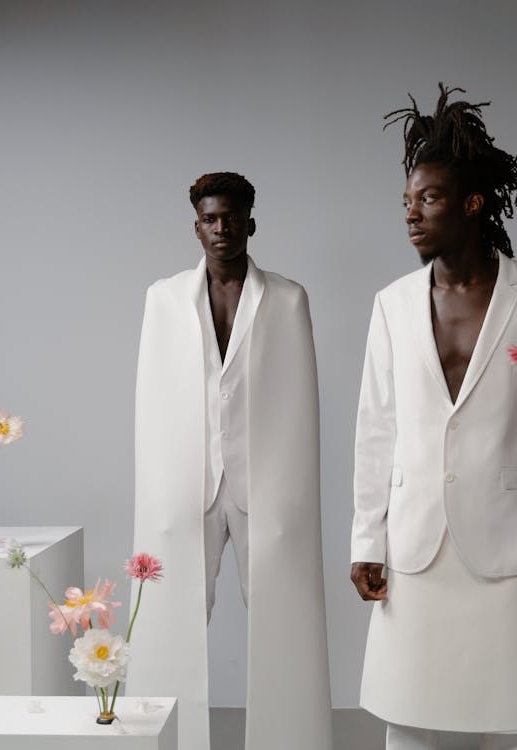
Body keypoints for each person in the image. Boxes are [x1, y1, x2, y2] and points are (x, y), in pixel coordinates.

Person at [351, 85, 517, 750]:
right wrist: (367, 537)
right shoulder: (391, 304)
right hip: (414, 542)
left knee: (513, 715)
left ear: (472, 203)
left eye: (427, 198)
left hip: (506, 546)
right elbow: (376, 427)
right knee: (412, 714)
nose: (410, 214)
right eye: (405, 200)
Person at [128, 172, 333, 750]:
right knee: (168, 622)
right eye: (211, 219)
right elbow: (153, 398)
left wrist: (292, 493)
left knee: (287, 625)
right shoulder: (163, 299)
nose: (222, 229)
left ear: (251, 222)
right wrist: (159, 490)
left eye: (232, 217)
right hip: (186, 484)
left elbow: (300, 400)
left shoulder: (288, 299)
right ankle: (162, 741)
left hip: (266, 487)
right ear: (196, 227)